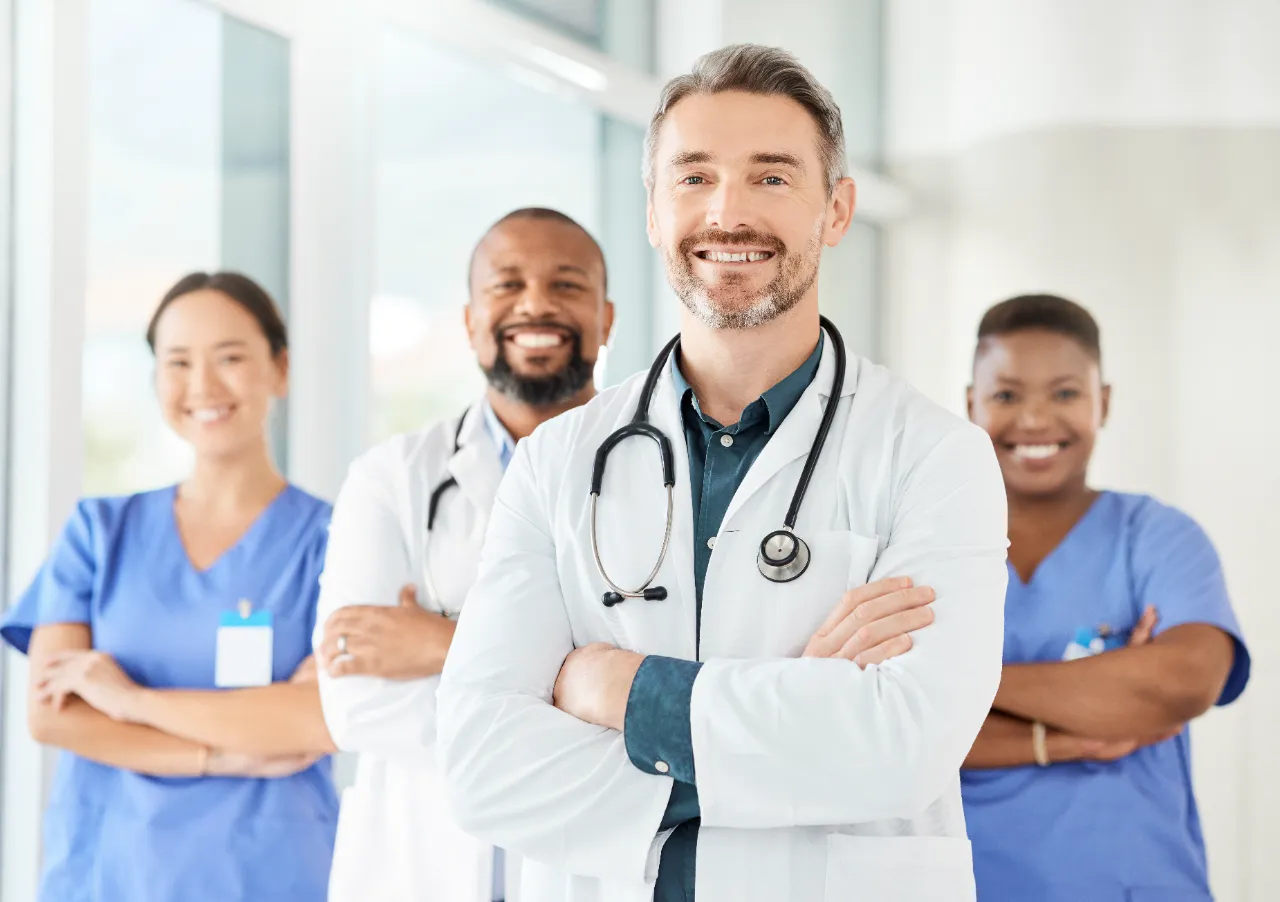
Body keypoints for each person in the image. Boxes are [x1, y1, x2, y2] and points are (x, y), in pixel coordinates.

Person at [435, 44, 1010, 902]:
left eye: (771, 177)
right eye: (694, 177)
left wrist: (621, 690)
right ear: (653, 211)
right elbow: (483, 767)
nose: (728, 213)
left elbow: (904, 748)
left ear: (837, 210)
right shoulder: (559, 461)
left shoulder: (934, 455)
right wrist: (804, 717)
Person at [1, 272, 340, 902]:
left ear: (281, 368)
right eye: (178, 362)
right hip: (109, 873)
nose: (202, 386)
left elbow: (318, 719)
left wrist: (128, 701)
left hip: (269, 874)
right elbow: (53, 716)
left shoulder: (332, 542)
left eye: (230, 358)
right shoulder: (99, 533)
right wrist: (221, 755)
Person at [313, 207, 615, 902]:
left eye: (566, 285)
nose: (535, 304)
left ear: (606, 318)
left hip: (593, 864)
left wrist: (441, 644)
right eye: (507, 284)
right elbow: (356, 703)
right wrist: (591, 686)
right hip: (422, 868)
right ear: (471, 320)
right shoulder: (391, 478)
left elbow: (676, 680)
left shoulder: (668, 474)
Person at [960, 294, 1250, 902]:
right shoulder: (927, 546)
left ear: (1104, 402)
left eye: (1065, 393)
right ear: (971, 405)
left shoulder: (1157, 537)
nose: (1034, 420)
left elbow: (1183, 683)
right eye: (1006, 395)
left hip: (1136, 883)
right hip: (967, 882)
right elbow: (882, 722)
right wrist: (1092, 706)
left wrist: (952, 681)